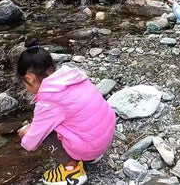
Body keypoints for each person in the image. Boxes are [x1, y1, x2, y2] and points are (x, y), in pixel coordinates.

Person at [17, 38, 116, 185]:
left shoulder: (48, 101)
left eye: (25, 84)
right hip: (104, 138)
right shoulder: (73, 76)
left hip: (90, 147)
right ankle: (90, 156)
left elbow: (31, 143)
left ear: (29, 78)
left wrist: (27, 133)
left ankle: (72, 170)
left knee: (45, 132)